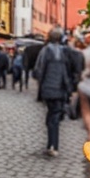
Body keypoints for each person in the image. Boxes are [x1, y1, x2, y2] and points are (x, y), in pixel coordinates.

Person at [33, 27, 72, 156]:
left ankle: (52, 146)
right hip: (60, 90)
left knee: (52, 118)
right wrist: (68, 89)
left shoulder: (45, 51)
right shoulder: (63, 52)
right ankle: (53, 145)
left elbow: (39, 70)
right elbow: (67, 72)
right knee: (54, 117)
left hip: (48, 89)